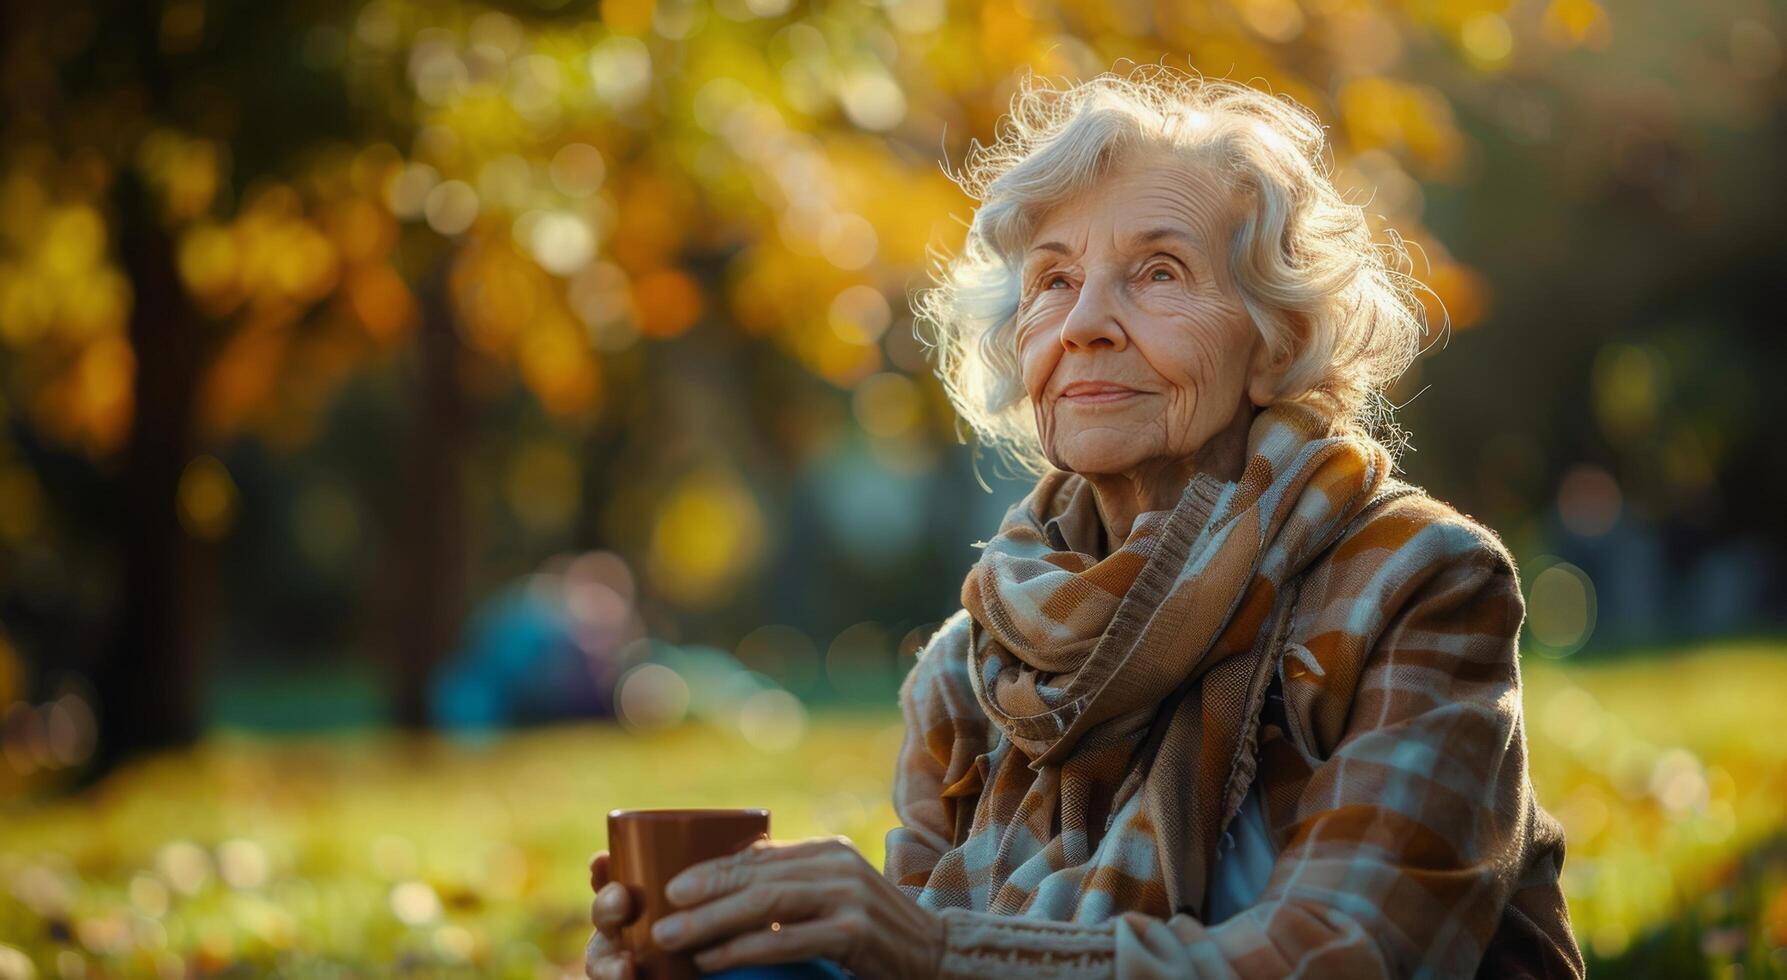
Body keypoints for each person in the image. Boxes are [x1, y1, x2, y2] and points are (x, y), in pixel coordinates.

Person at [586, 65, 1584, 979]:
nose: (1083, 323)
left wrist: (933, 945)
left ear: (1279, 342)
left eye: (1157, 273)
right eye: (1052, 280)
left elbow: (1347, 953)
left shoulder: (1417, 580)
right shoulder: (970, 666)